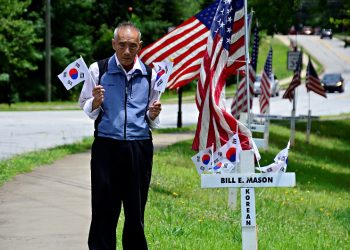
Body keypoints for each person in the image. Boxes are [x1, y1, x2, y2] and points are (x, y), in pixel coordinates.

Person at [79, 21, 162, 250]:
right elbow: (85, 105)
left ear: (140, 46)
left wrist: (152, 114)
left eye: (132, 46)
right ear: (114, 43)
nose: (127, 51)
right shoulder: (99, 70)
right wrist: (95, 102)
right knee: (104, 210)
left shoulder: (150, 74)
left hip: (139, 148)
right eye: (122, 45)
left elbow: (151, 118)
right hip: (107, 147)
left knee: (135, 212)